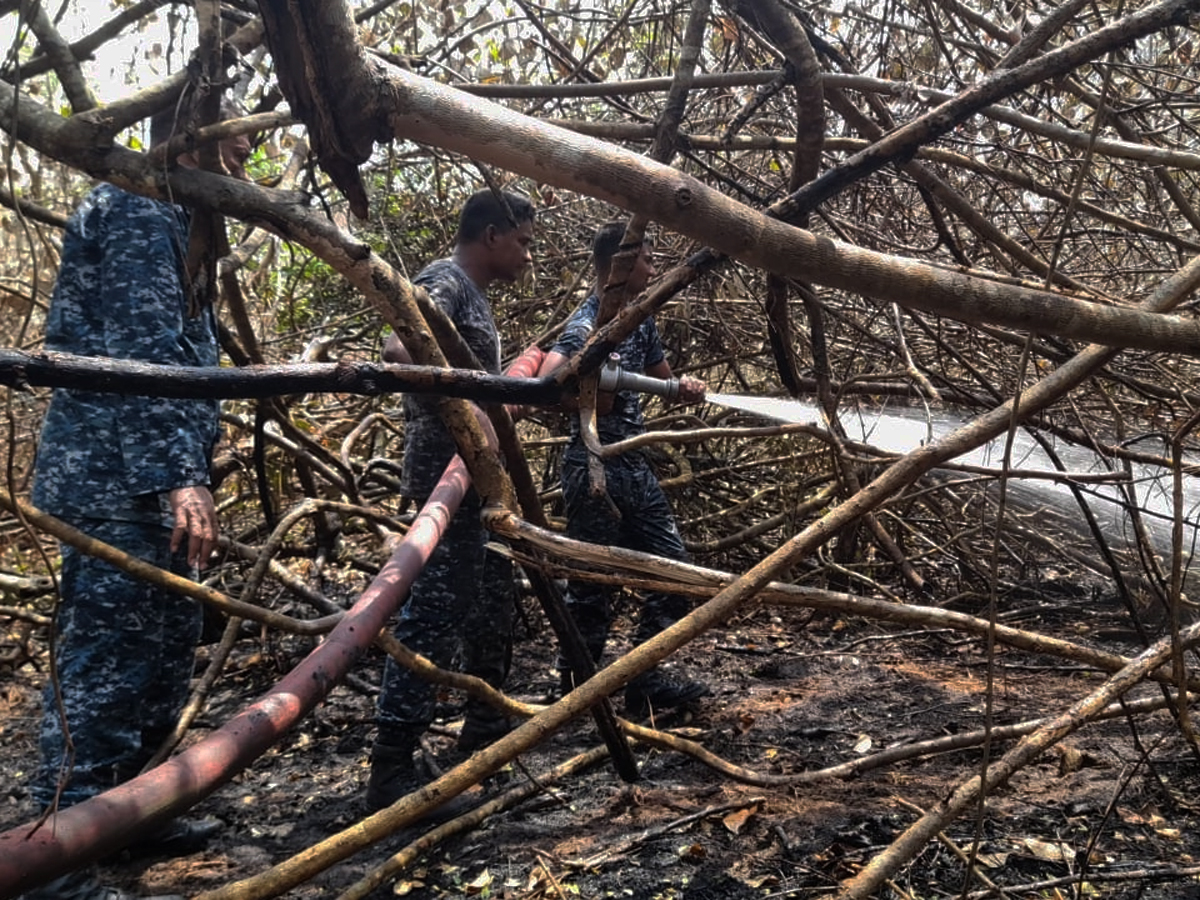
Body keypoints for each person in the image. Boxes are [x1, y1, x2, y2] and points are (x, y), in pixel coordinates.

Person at [24, 100, 252, 900]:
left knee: (164, 648)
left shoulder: (187, 223)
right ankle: (58, 847)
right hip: (113, 480)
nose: (251, 141)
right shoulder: (134, 205)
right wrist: (177, 477)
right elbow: (141, 356)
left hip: (157, 477)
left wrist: (193, 465)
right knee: (107, 663)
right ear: (184, 130)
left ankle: (135, 813)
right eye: (233, 125)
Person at [367, 189, 534, 813]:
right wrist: (471, 410)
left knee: (492, 600)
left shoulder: (472, 295)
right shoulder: (445, 281)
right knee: (431, 616)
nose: (528, 257)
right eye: (522, 242)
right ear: (491, 235)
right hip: (445, 480)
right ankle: (392, 773)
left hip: (471, 482)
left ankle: (484, 738)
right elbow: (399, 349)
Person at [537, 222, 709, 716]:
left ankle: (642, 678)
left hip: (633, 465)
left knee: (675, 572)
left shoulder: (640, 321)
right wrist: (589, 392)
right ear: (618, 265)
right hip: (594, 467)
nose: (654, 267)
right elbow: (548, 386)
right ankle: (576, 694)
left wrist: (686, 386)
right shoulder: (584, 325)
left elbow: (663, 379)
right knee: (591, 588)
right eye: (646, 258)